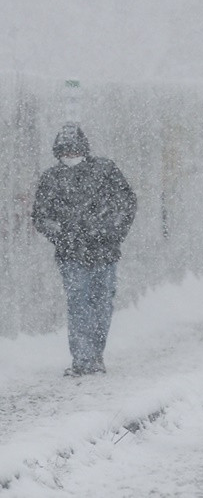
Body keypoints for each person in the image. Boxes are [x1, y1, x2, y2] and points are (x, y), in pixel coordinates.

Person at [32, 124, 137, 376]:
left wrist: (111, 230)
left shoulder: (105, 170)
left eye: (74, 149)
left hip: (105, 251)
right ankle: (82, 359)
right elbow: (41, 216)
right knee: (79, 303)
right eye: (64, 150)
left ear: (84, 148)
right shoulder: (51, 178)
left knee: (101, 304)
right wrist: (64, 235)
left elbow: (126, 203)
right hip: (71, 254)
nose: (69, 154)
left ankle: (95, 355)